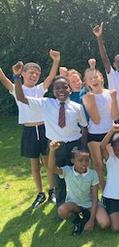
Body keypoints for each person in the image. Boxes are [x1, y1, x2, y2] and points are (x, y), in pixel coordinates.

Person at [13, 62, 88, 221]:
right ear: (53, 91)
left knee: (77, 177)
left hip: (75, 146)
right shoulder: (46, 103)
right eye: (58, 88)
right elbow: (20, 97)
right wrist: (17, 77)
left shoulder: (77, 107)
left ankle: (81, 205)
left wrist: (83, 147)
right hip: (56, 147)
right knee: (58, 179)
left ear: (69, 89)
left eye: (64, 87)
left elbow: (84, 127)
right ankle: (61, 208)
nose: (61, 90)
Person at [0, 50, 59, 208]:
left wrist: (56, 61)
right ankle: (41, 193)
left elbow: (51, 77)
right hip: (29, 131)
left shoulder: (40, 89)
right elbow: (3, 78)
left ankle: (52, 190)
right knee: (36, 164)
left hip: (45, 128)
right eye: (31, 73)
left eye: (37, 74)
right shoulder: (16, 88)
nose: (34, 76)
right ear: (23, 73)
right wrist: (15, 74)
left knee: (48, 162)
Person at [48, 141, 109, 236]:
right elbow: (51, 168)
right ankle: (78, 222)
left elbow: (94, 198)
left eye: (87, 160)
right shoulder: (67, 171)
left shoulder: (93, 174)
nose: (84, 164)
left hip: (89, 204)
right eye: (80, 160)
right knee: (62, 210)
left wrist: (92, 220)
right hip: (74, 204)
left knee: (105, 224)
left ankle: (88, 215)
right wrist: (52, 151)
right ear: (73, 161)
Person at [93, 22, 119, 156]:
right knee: (116, 145)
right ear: (114, 64)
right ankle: (116, 168)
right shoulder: (112, 75)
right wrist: (99, 38)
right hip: (115, 116)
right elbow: (104, 57)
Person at [82, 68, 119, 191]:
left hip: (110, 132)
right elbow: (96, 120)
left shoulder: (111, 93)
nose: (94, 80)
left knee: (113, 164)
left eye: (96, 77)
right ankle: (104, 192)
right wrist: (92, 102)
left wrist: (113, 99)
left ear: (101, 78)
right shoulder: (86, 97)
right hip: (94, 135)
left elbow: (115, 116)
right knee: (98, 165)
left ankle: (116, 189)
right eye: (90, 78)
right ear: (87, 83)